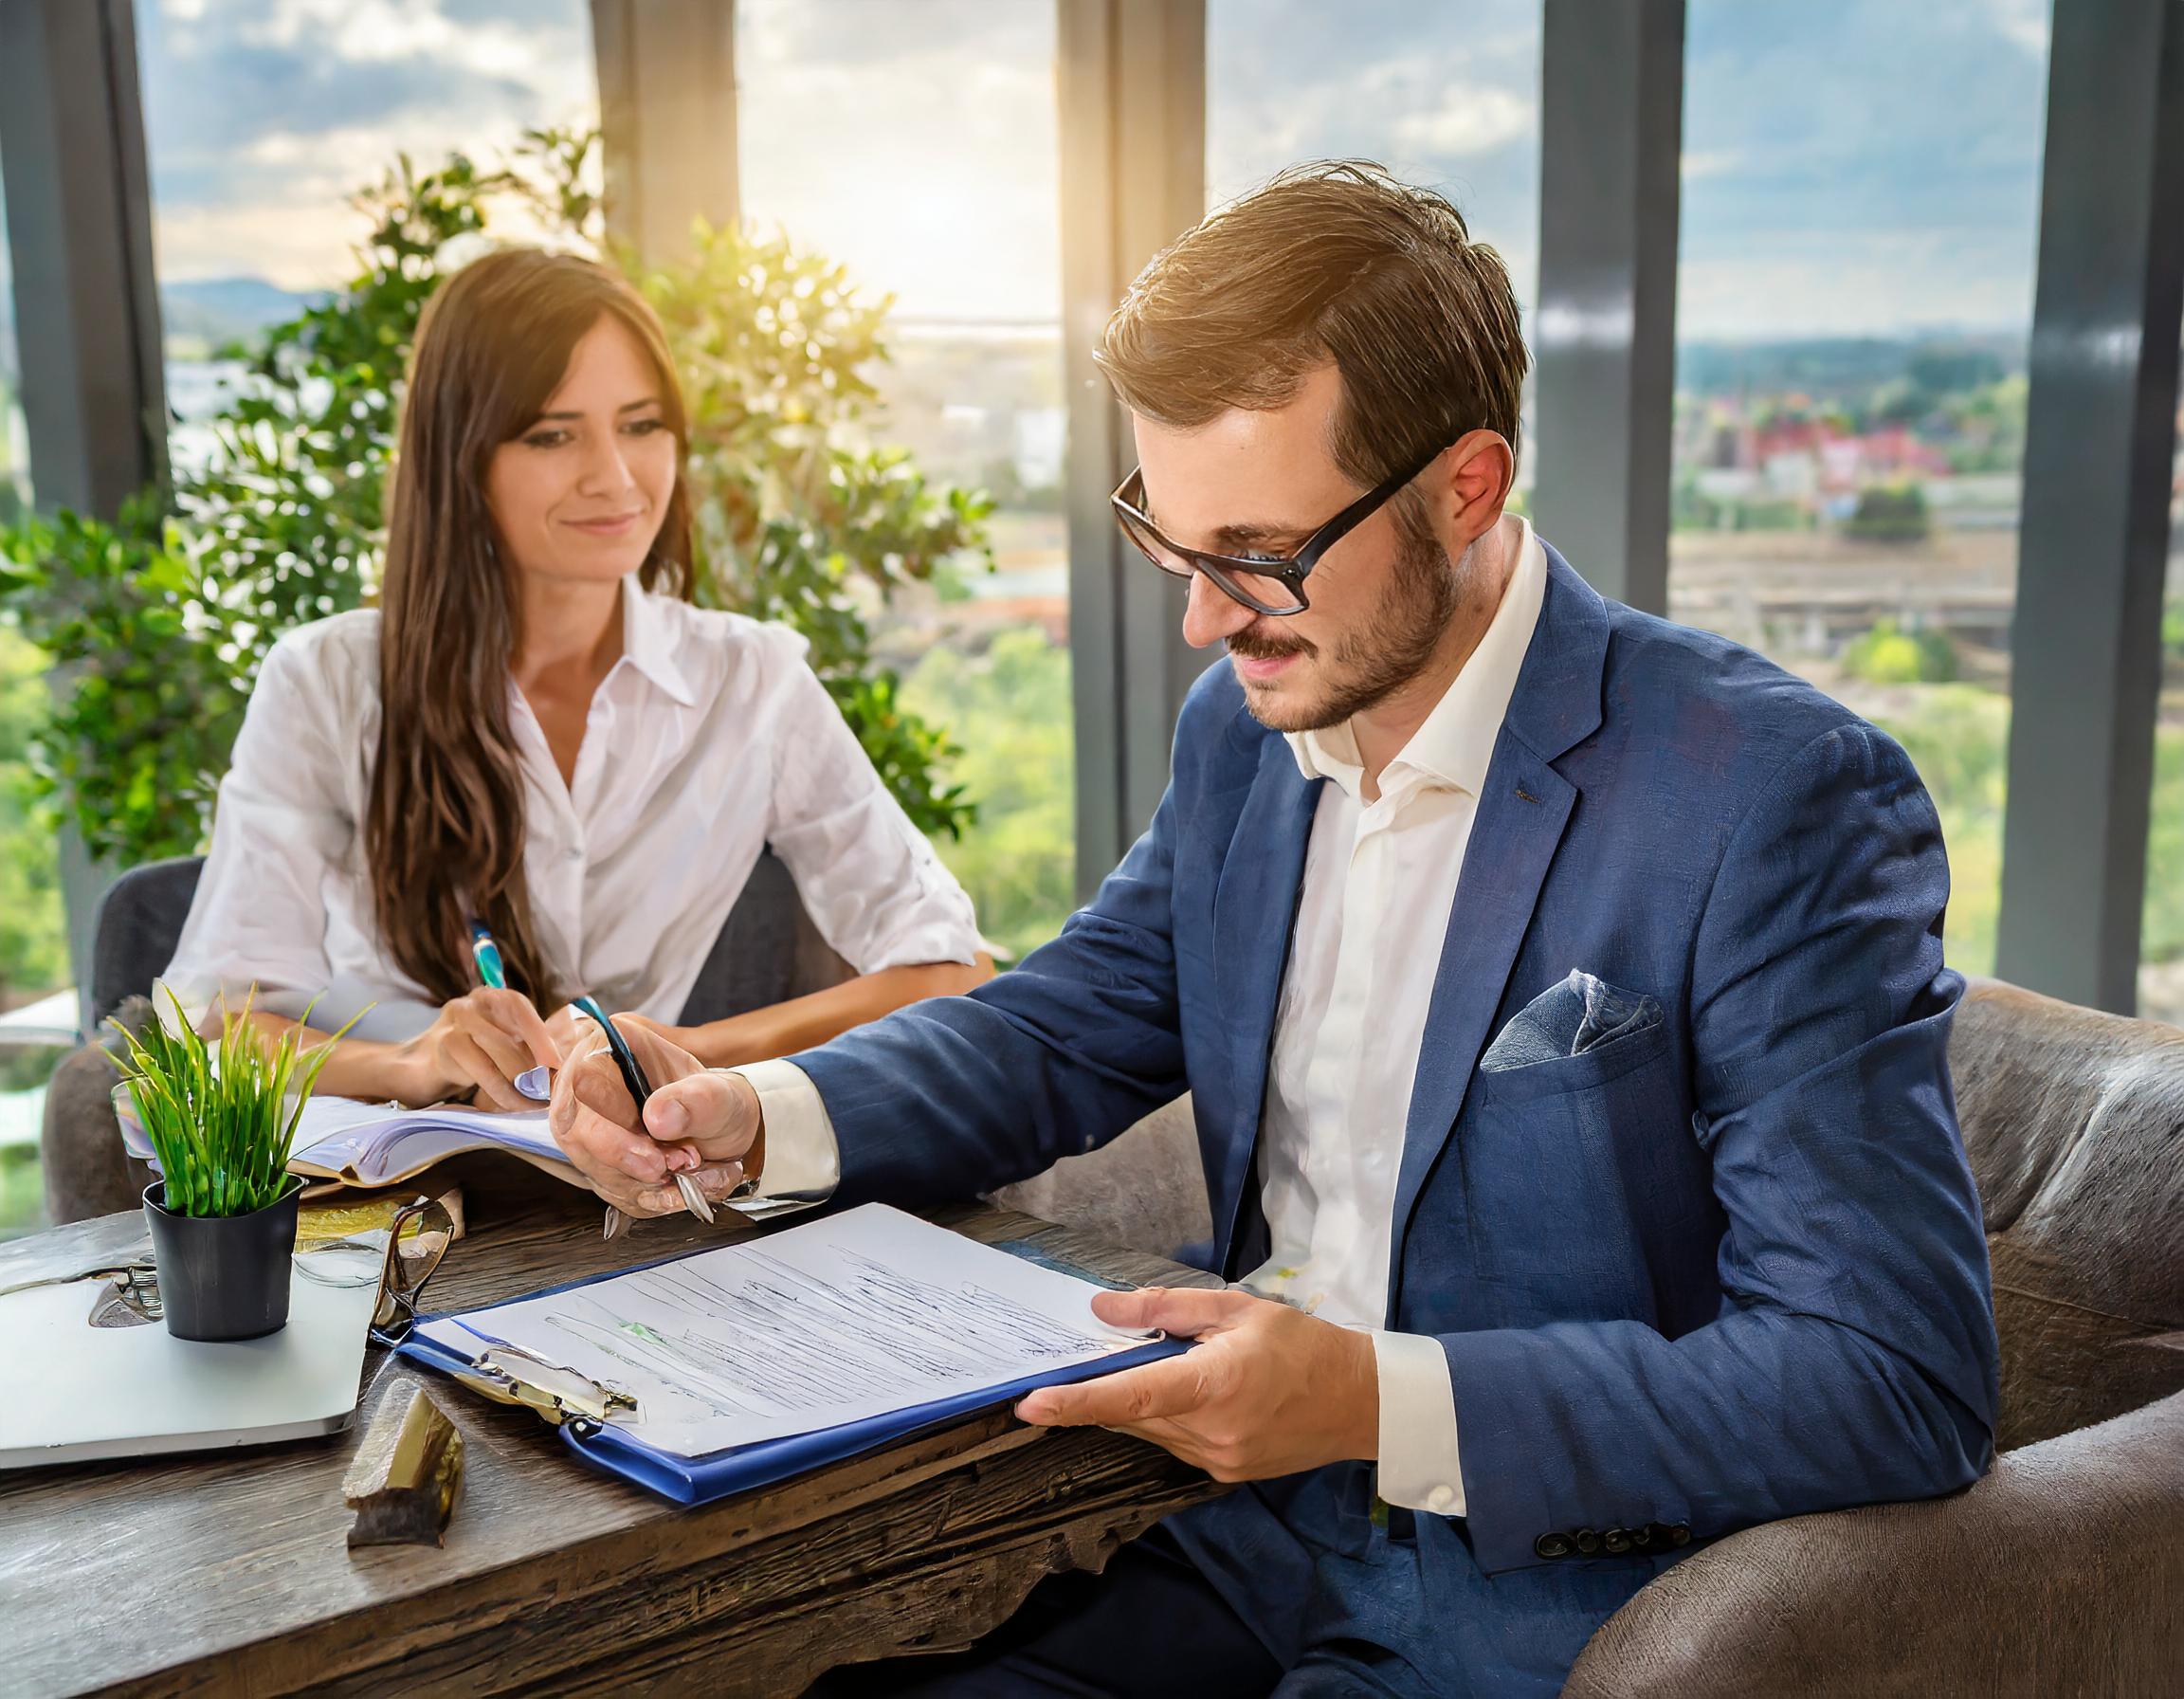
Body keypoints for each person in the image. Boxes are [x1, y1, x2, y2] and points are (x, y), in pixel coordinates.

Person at [549, 163, 1999, 1695]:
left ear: (1464, 486)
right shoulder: (1243, 726)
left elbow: (1887, 1377)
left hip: (1538, 1614)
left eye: (1256, 552)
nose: (1199, 617)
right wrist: (742, 1112)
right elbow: (1074, 1012)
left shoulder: (1765, 796)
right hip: (1216, 1536)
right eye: (1167, 545)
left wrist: (1374, 1401)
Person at [161, 247, 989, 1111]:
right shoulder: (326, 682)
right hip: (398, 1179)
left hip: (625, 1174)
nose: (617, 478)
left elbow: (952, 967)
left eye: (640, 425)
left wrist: (674, 1050)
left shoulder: (753, 680)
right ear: (462, 460)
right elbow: (215, 1025)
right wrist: (416, 1061)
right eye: (554, 435)